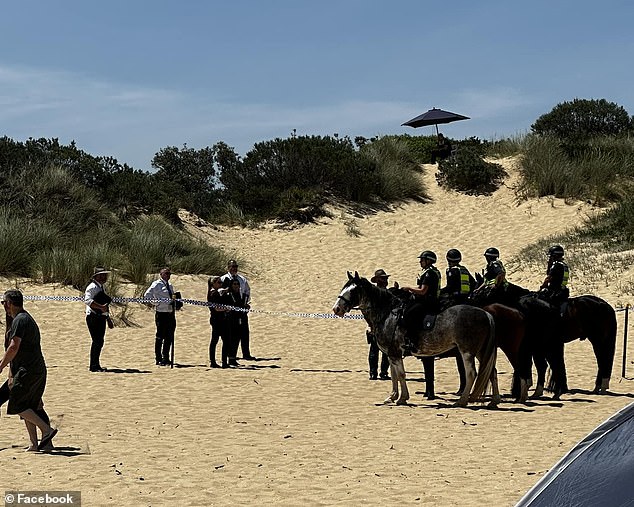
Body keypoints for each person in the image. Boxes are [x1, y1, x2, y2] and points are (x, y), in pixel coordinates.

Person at [0, 290, 57, 452]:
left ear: (10, 303)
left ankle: (47, 431)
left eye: (4, 302)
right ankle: (36, 443)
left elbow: (13, 347)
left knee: (18, 405)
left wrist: (1, 366)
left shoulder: (21, 319)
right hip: (25, 370)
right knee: (30, 405)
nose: (3, 305)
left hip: (29, 371)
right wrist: (10, 374)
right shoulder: (17, 319)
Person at [400, 251, 442, 352]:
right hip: (430, 300)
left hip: (428, 302)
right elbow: (419, 287)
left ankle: (413, 341)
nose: (420, 262)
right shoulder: (430, 271)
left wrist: (409, 288)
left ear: (428, 261)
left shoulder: (429, 273)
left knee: (409, 314)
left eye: (422, 260)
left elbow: (423, 291)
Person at [144, 267, 178, 366]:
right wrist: (157, 303)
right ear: (161, 274)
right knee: (160, 336)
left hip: (170, 313)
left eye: (169, 274)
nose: (168, 275)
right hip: (161, 313)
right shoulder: (156, 284)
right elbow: (147, 296)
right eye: (166, 273)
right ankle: (158, 358)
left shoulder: (170, 285)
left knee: (169, 336)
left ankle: (166, 357)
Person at [220, 260, 254, 360]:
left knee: (244, 332)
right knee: (232, 334)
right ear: (228, 267)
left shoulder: (242, 279)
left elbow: (247, 291)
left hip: (241, 308)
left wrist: (246, 303)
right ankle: (231, 355)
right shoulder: (223, 279)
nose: (234, 268)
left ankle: (246, 354)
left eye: (235, 266)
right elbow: (220, 292)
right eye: (232, 266)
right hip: (230, 310)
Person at [84, 267, 113, 372]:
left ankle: (96, 364)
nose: (103, 277)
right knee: (97, 341)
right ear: (96, 276)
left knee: (99, 341)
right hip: (93, 316)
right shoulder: (92, 287)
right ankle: (94, 366)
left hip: (100, 317)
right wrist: (101, 307)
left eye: (104, 275)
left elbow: (104, 304)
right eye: (101, 275)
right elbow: (87, 301)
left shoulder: (100, 287)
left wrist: (108, 318)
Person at [367, 269, 392, 380]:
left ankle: (383, 372)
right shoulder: (373, 295)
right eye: (383, 278)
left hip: (386, 325)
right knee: (374, 349)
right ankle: (373, 372)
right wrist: (371, 324)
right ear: (377, 280)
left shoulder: (388, 292)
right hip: (376, 324)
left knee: (386, 350)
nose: (385, 280)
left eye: (386, 278)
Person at [224, 278, 248, 368]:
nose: (236, 286)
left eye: (237, 284)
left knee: (237, 339)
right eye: (234, 284)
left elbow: (241, 305)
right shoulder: (229, 294)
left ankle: (233, 358)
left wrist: (245, 306)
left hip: (239, 318)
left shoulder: (240, 294)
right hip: (231, 319)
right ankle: (229, 358)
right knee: (231, 339)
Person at [207, 276, 230, 368]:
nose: (221, 284)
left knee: (226, 340)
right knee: (215, 340)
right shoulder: (213, 293)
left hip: (223, 319)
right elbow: (216, 308)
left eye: (221, 283)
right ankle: (213, 361)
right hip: (216, 319)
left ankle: (224, 361)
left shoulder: (219, 292)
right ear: (214, 284)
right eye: (219, 283)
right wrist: (226, 309)